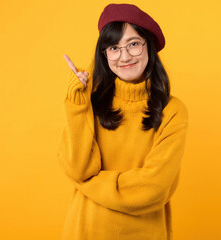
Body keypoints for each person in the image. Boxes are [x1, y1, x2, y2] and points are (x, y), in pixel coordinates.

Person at [57, 3, 188, 240]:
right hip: (84, 231)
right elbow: (77, 168)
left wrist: (89, 183)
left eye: (133, 44)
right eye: (114, 47)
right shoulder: (90, 103)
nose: (124, 56)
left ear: (149, 45)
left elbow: (152, 190)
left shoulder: (173, 112)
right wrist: (77, 105)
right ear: (104, 54)